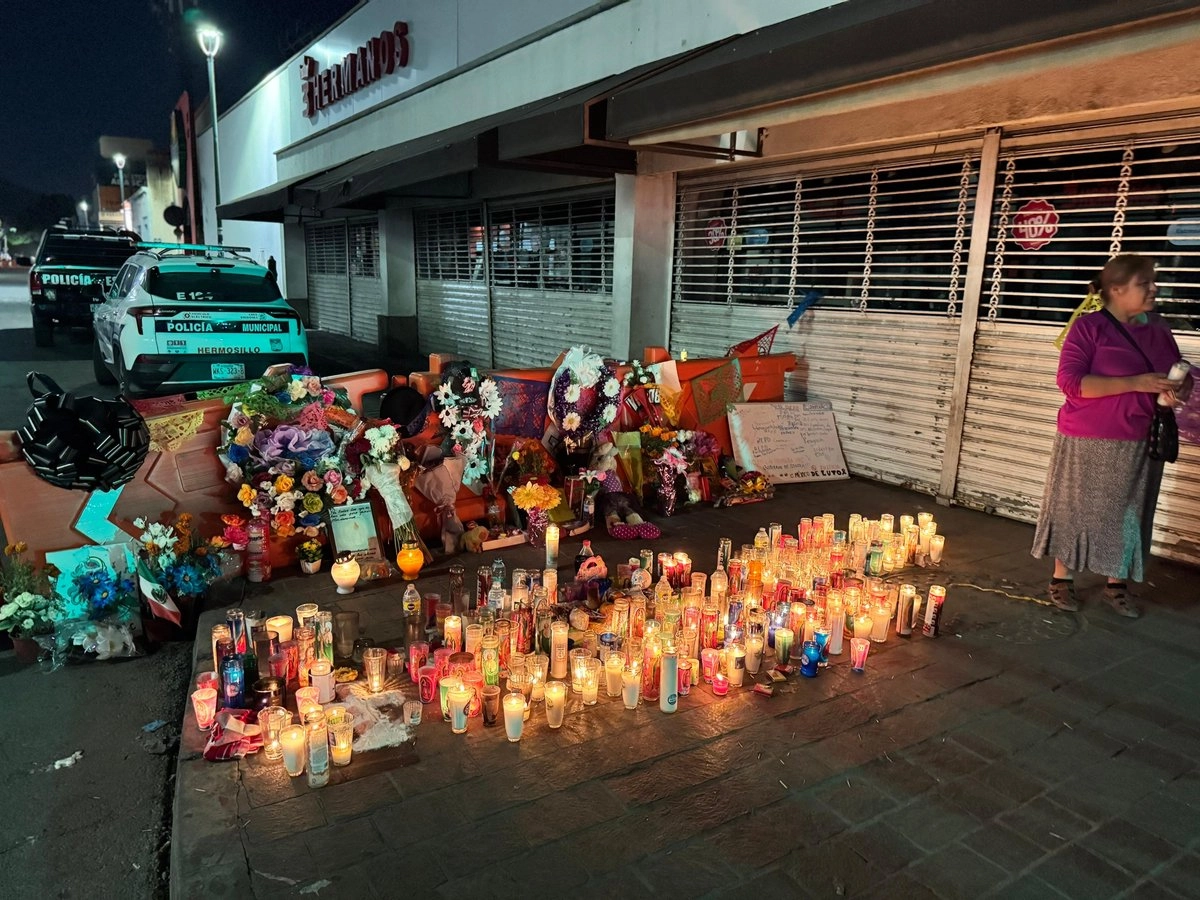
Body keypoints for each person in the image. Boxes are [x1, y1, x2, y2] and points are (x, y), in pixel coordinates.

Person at [1032, 255, 1192, 617]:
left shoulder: (1159, 328)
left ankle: (1117, 586)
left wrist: (1175, 392)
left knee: (1131, 512)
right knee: (1077, 510)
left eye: (1154, 281)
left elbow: (1181, 374)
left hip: (1141, 436)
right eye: (1144, 283)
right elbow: (1071, 383)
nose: (1154, 289)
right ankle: (1062, 580)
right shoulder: (1090, 328)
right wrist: (1136, 383)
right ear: (1117, 290)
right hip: (1088, 436)